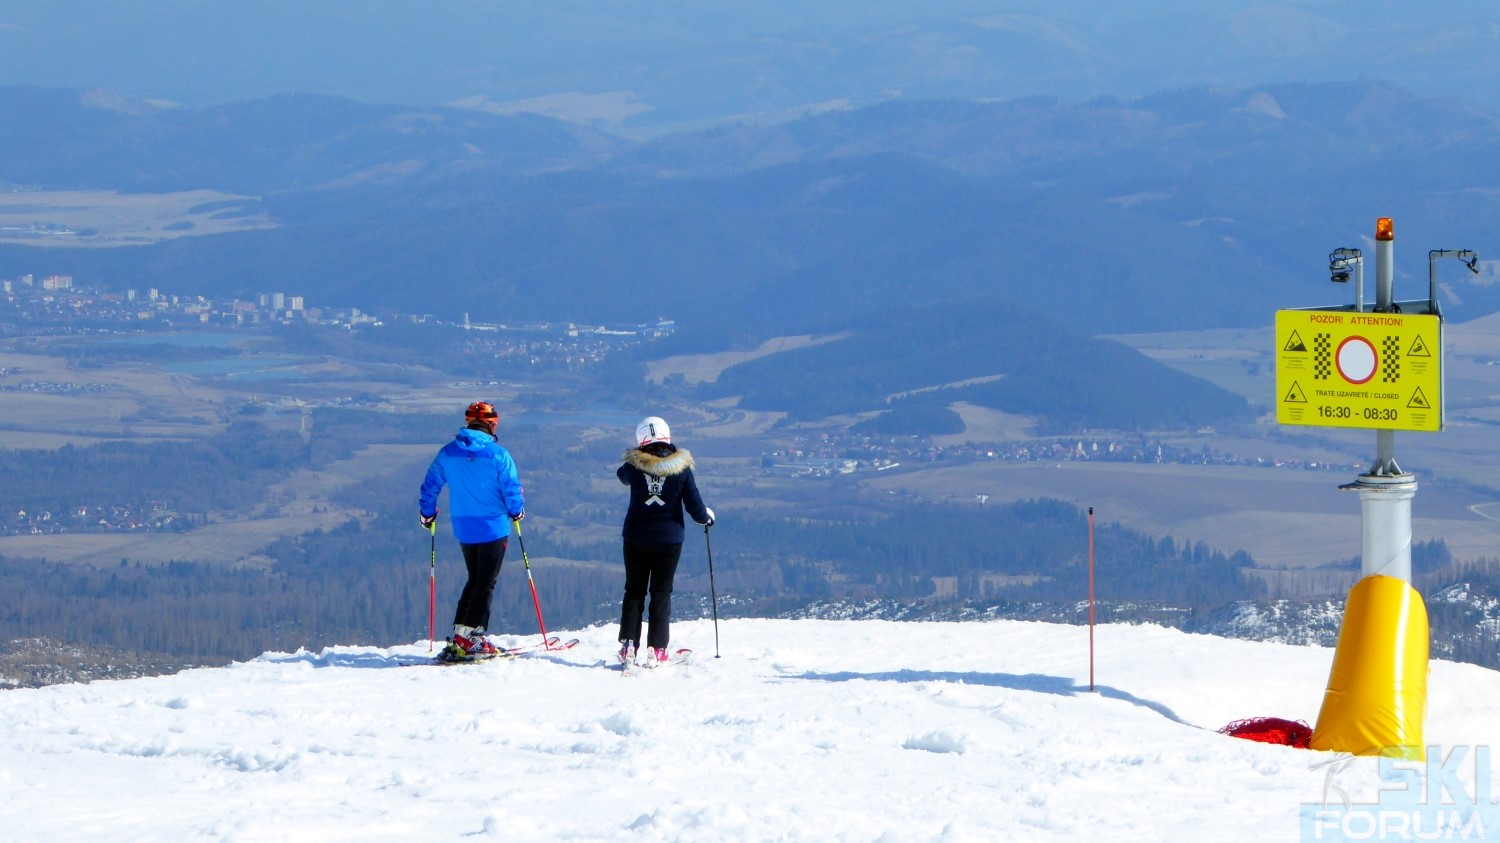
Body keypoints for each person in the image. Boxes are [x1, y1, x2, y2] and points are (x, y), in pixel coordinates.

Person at [418, 400, 525, 660]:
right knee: (485, 583)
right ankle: (473, 639)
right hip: (493, 527)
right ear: (492, 424)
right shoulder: (499, 454)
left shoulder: (448, 452)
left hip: (464, 526)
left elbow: (431, 484)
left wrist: (427, 513)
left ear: (468, 422)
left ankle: (461, 634)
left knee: (475, 579)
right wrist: (516, 511)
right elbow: (512, 488)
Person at [616, 415, 714, 667]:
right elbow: (695, 506)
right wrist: (706, 519)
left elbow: (622, 475)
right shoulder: (681, 468)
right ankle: (657, 648)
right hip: (669, 540)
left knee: (634, 590)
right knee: (661, 592)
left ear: (641, 439)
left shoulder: (632, 465)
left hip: (635, 536)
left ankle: (628, 645)